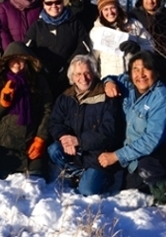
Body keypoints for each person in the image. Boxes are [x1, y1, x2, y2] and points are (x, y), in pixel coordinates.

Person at [99, 50, 166, 205]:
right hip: (135, 148)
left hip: (163, 149)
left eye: (146, 68)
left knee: (147, 167)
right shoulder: (127, 83)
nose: (140, 74)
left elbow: (151, 140)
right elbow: (112, 77)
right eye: (135, 69)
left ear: (156, 72)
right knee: (126, 186)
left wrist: (116, 156)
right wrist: (108, 82)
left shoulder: (162, 96)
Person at [47, 55, 124, 196]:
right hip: (76, 154)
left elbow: (109, 131)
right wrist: (64, 136)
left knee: (87, 191)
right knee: (54, 149)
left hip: (99, 157)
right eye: (78, 74)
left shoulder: (106, 96)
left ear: (94, 73)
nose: (83, 78)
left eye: (87, 73)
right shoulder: (65, 97)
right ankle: (79, 173)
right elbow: (54, 122)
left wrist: (79, 141)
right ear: (72, 76)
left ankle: (103, 178)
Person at [0, 41, 53, 180]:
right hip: (6, 146)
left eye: (21, 60)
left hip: (32, 142)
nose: (17, 64)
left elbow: (47, 110)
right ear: (7, 62)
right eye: (13, 60)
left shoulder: (39, 81)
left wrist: (41, 138)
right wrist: (2, 103)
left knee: (37, 183)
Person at [25, 0, 90, 99]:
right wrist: (40, 66)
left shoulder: (74, 23)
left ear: (62, 3)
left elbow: (84, 45)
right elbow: (27, 48)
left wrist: (69, 66)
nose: (53, 6)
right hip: (43, 76)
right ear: (44, 5)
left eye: (57, 2)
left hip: (69, 76)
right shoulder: (37, 26)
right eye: (49, 3)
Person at [90, 0, 154, 78]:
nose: (110, 12)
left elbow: (151, 46)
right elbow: (92, 60)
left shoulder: (134, 25)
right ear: (101, 12)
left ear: (118, 8)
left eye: (113, 8)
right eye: (106, 9)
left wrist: (138, 48)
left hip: (134, 78)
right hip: (110, 81)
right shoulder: (96, 32)